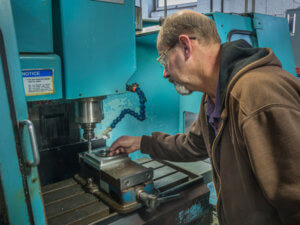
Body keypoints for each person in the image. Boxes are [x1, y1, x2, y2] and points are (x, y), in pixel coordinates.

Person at [110, 10, 300, 225]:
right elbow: (193, 145)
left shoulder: (257, 94)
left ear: (185, 46)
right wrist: (140, 143)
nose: (165, 73)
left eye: (164, 59)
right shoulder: (213, 96)